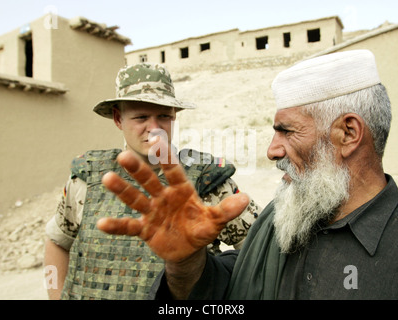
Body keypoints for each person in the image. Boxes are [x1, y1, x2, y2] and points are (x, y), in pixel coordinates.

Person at [97, 50, 398, 300]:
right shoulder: (278, 220)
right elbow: (223, 291)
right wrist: (186, 263)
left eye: (287, 131)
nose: (272, 151)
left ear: (348, 133)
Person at [44, 63, 260, 300]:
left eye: (164, 117)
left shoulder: (207, 181)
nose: (155, 129)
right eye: (141, 117)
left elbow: (260, 253)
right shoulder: (87, 179)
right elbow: (57, 242)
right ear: (118, 118)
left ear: (174, 117)